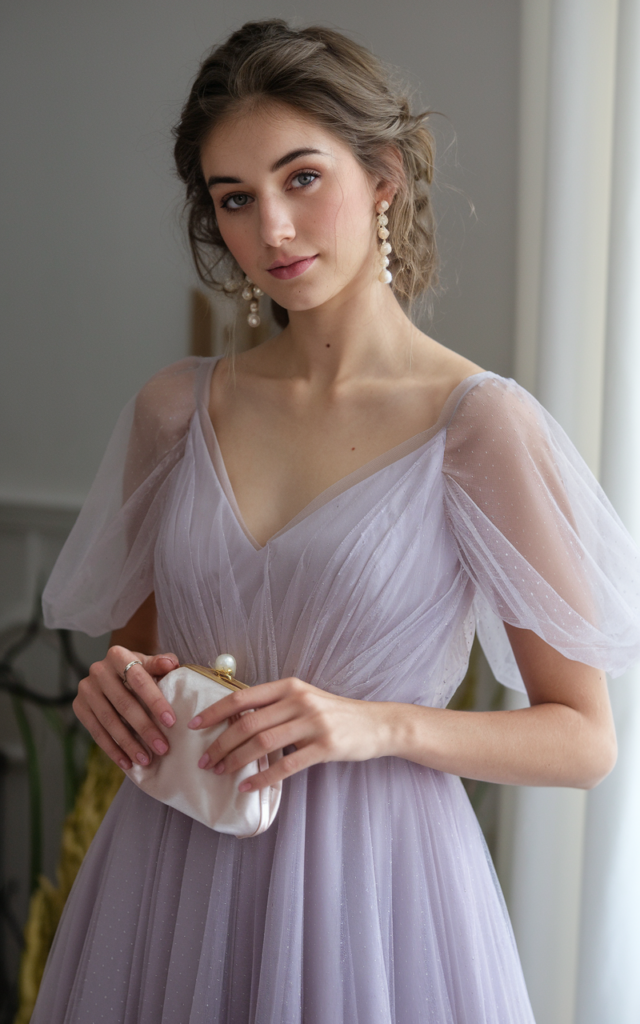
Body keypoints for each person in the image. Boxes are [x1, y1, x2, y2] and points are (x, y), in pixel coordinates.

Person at [34, 20, 640, 1024]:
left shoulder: (478, 427)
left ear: (383, 178)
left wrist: (373, 724)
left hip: (379, 893)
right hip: (170, 870)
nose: (270, 227)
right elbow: (144, 664)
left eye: (300, 177)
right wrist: (119, 689)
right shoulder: (173, 412)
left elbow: (583, 740)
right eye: (234, 198)